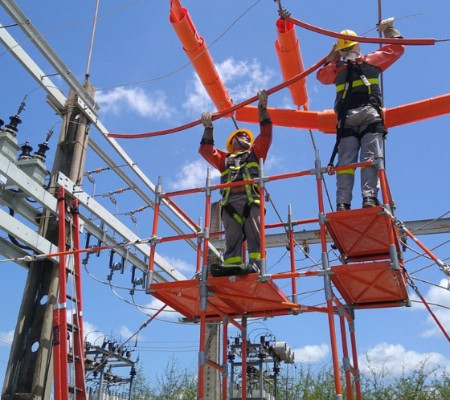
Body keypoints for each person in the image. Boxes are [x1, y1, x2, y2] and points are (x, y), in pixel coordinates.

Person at [316, 18, 404, 211]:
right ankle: (369, 198)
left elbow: (321, 76)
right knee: (370, 160)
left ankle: (342, 203)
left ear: (340, 50)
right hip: (369, 115)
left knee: (345, 164)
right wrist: (389, 29)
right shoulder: (371, 61)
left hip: (346, 120)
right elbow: (397, 48)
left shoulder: (336, 70)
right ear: (358, 45)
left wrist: (332, 56)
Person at [199, 90, 272, 276]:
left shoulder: (256, 153)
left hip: (251, 201)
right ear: (233, 142)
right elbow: (207, 151)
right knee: (232, 239)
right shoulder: (225, 159)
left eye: (248, 137)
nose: (247, 137)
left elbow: (266, 134)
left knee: (255, 236)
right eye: (243, 135)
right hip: (230, 203)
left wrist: (262, 110)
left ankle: (256, 266)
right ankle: (232, 266)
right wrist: (208, 128)